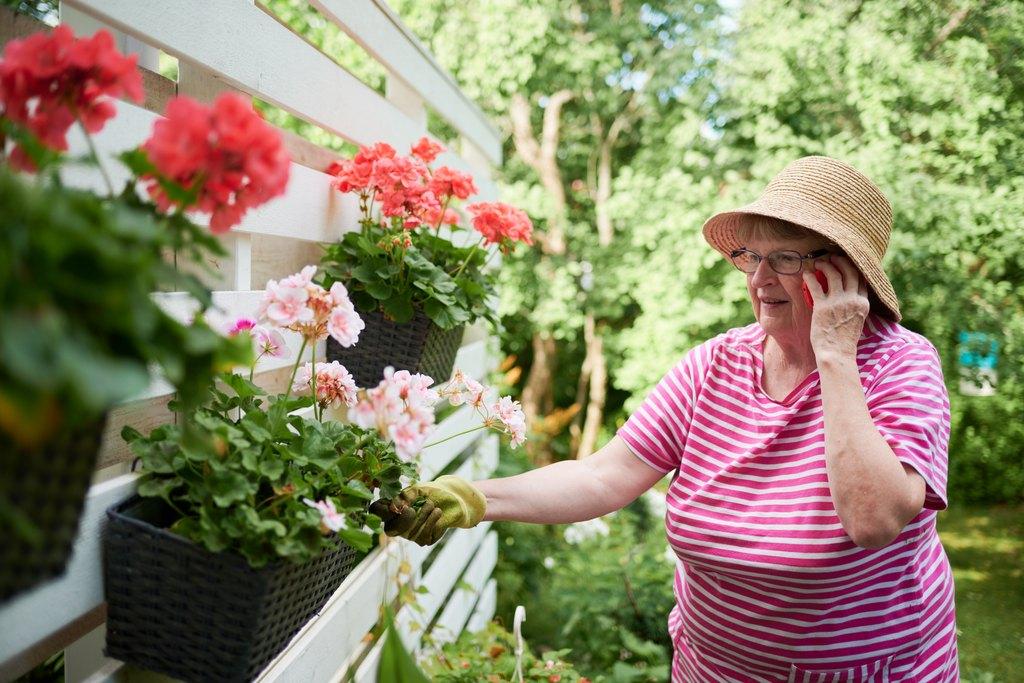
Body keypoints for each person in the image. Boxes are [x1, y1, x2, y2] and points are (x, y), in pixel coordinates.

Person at [373, 156, 958, 682]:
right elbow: (604, 477)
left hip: (870, 672)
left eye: (784, 258)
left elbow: (873, 518)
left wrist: (835, 354)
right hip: (713, 669)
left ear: (844, 275)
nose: (757, 279)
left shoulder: (901, 365)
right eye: (751, 255)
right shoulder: (714, 366)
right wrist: (473, 497)